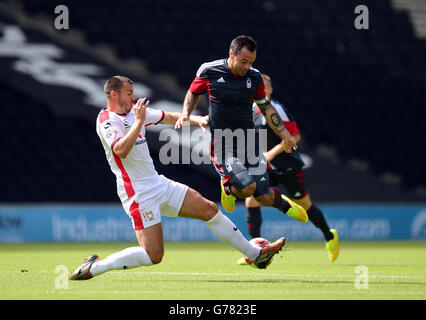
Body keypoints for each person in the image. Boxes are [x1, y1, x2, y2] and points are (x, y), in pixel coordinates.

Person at [68, 76, 286, 280]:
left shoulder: (136, 112)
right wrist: (139, 122)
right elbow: (121, 150)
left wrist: (197, 119)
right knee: (153, 256)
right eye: (128, 93)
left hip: (157, 182)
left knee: (209, 209)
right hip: (137, 192)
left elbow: (167, 117)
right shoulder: (106, 120)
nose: (133, 97)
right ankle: (94, 267)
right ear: (113, 95)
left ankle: (255, 254)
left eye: (133, 93)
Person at [175, 35, 308, 224]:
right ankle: (227, 187)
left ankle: (285, 205)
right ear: (232, 53)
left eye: (251, 62)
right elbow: (193, 92)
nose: (247, 66)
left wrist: (285, 134)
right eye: (244, 61)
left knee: (263, 196)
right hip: (224, 143)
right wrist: (185, 113)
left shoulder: (254, 77)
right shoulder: (209, 70)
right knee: (247, 187)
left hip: (250, 142)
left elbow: (266, 107)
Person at [239, 74, 339, 263]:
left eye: (264, 87)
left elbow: (295, 136)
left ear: (269, 90)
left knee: (305, 205)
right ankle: (255, 251)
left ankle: (330, 236)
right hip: (265, 167)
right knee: (252, 200)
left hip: (287, 166)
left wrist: (271, 154)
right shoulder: (249, 111)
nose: (259, 90)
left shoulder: (276, 109)